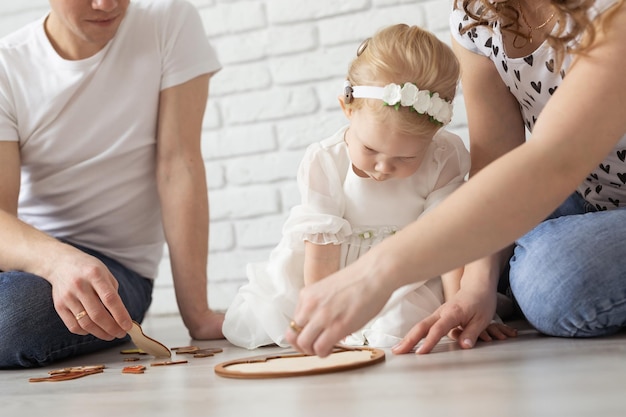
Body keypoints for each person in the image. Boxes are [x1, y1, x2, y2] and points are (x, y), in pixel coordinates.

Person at [285, 0, 626, 358]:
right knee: (490, 267)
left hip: (566, 171)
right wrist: (475, 286)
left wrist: (377, 273)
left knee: (549, 281)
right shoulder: (479, 14)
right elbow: (495, 164)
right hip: (585, 189)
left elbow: (555, 158)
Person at [223, 24, 515, 350]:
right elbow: (321, 256)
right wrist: (324, 313)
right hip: (330, 271)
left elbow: (448, 240)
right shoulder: (326, 161)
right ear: (347, 108)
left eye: (406, 157)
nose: (383, 166)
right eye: (371, 150)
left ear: (433, 135)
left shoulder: (444, 157)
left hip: (411, 273)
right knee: (273, 318)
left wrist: (457, 307)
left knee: (400, 325)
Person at [0, 0, 224, 368]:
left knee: (13, 318)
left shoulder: (168, 23)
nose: (106, 5)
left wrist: (197, 314)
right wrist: (55, 260)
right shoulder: (8, 65)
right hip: (32, 254)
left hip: (116, 269)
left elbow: (177, 165)